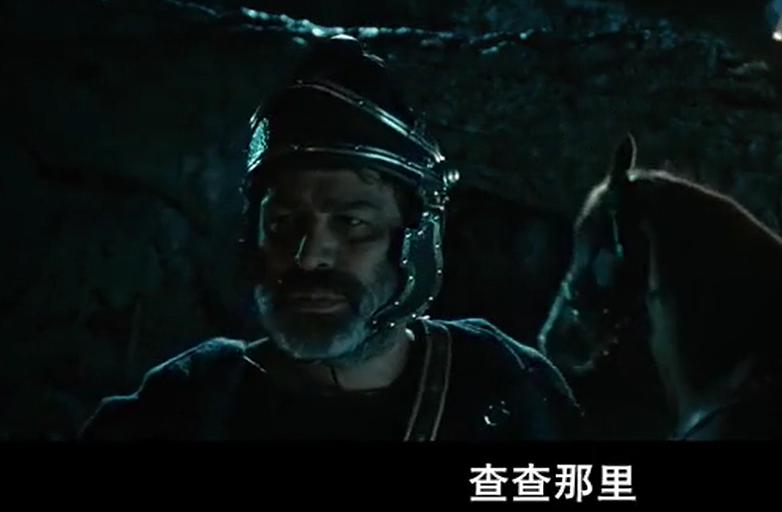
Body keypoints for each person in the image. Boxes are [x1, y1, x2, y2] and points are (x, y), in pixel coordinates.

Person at [78, 35, 583, 441]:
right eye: (284, 224)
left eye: (352, 224)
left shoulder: (504, 388)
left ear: (413, 241)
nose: (309, 257)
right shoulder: (187, 406)